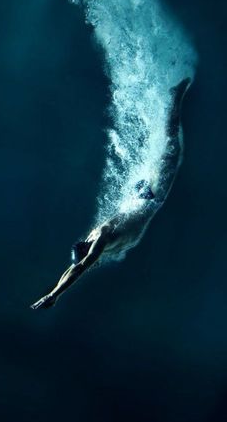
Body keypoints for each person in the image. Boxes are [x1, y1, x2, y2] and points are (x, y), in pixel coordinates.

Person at [30, 78, 191, 310]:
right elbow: (76, 267)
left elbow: (77, 268)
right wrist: (54, 292)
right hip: (145, 197)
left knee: (170, 145)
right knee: (167, 147)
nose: (91, 260)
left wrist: (55, 293)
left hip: (148, 198)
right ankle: (171, 102)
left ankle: (175, 96)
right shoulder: (101, 240)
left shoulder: (105, 243)